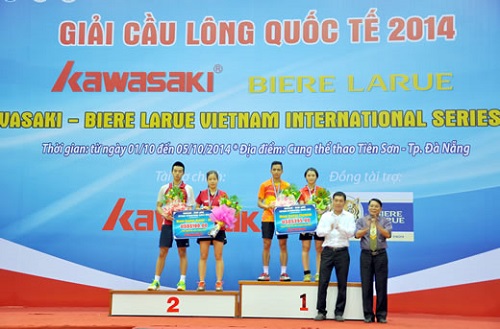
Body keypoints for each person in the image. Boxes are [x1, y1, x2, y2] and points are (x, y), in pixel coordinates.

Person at [147, 161, 195, 292]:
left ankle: (182, 282)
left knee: (182, 252)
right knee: (162, 252)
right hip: (167, 223)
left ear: (183, 173)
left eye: (180, 171)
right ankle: (156, 281)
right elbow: (158, 206)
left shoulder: (188, 189)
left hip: (181, 226)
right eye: (175, 171)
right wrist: (165, 214)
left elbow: (191, 207)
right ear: (172, 172)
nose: (177, 173)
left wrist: (183, 214)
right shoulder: (164, 188)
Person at [314, 191, 356, 322]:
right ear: (333, 201)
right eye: (336, 200)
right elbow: (319, 232)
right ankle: (321, 311)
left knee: (342, 283)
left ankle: (339, 312)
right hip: (327, 252)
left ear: (344, 202)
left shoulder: (349, 216)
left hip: (342, 252)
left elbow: (351, 233)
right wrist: (330, 229)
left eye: (340, 201)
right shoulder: (326, 216)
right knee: (323, 282)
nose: (338, 203)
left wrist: (340, 227)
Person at [354, 198, 392, 323]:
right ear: (368, 207)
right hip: (366, 255)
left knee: (381, 286)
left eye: (376, 206)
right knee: (367, 285)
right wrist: (368, 227)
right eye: (371, 206)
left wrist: (377, 225)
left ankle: (381, 315)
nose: (373, 208)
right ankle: (368, 315)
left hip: (380, 255)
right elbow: (357, 234)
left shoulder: (385, 221)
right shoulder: (361, 220)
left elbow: (388, 234)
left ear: (380, 209)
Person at [257, 161, 291, 281]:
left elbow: (291, 201)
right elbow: (259, 202)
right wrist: (266, 206)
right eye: (274, 169)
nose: (276, 172)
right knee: (266, 244)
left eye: (278, 170)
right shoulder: (264, 185)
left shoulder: (287, 186)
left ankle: (283, 273)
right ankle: (265, 273)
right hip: (268, 218)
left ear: (282, 171)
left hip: (282, 219)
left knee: (283, 245)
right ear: (271, 171)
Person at [195, 170, 228, 292]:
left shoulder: (223, 194)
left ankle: (219, 282)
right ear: (207, 181)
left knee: (218, 256)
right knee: (203, 255)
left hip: (219, 228)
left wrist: (216, 209)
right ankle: (201, 282)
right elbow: (196, 207)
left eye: (214, 179)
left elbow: (227, 210)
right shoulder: (202, 194)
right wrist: (202, 208)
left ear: (217, 180)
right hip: (205, 228)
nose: (212, 181)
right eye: (210, 179)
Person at [297, 167, 326, 282]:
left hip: (319, 223)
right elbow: (300, 207)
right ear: (305, 177)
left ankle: (319, 273)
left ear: (316, 177)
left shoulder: (322, 191)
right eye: (309, 175)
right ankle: (307, 273)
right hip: (306, 223)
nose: (311, 177)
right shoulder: (301, 192)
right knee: (306, 247)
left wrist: (322, 211)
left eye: (313, 175)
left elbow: (326, 206)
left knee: (319, 248)